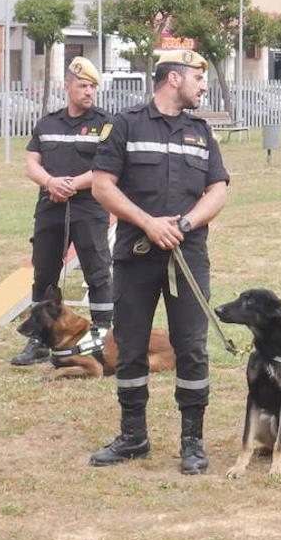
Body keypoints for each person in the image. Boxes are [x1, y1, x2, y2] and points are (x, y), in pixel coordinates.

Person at [89, 49, 229, 473]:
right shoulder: (125, 124)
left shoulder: (202, 132)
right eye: (198, 78)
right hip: (136, 254)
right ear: (173, 78)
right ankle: (134, 437)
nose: (203, 86)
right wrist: (149, 223)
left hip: (187, 256)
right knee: (129, 346)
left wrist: (183, 224)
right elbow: (101, 186)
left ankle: (192, 442)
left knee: (191, 347)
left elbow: (218, 189)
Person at [13, 56, 114, 366]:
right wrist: (50, 182)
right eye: (83, 85)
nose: (89, 92)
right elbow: (32, 162)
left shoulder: (106, 124)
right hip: (50, 208)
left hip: (88, 208)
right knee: (44, 275)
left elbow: (106, 166)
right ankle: (39, 341)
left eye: (93, 87)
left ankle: (102, 338)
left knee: (97, 274)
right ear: (67, 86)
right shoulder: (48, 123)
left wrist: (72, 184)